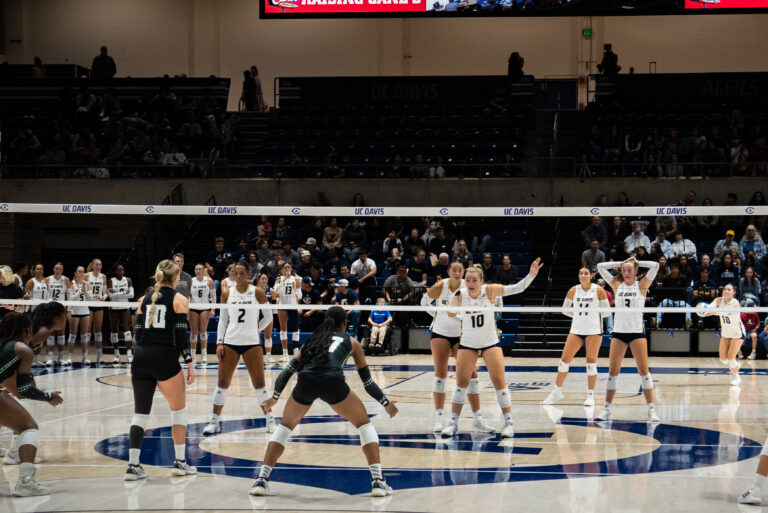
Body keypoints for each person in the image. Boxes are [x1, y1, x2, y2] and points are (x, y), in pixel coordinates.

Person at [251, 307, 398, 497]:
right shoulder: (352, 342)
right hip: (333, 383)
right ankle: (378, 481)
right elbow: (368, 383)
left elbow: (286, 372)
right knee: (364, 425)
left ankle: (261, 480)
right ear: (345, 323)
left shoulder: (311, 342)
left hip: (306, 382)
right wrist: (385, 403)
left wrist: (275, 398)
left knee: (285, 428)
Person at [442, 259, 543, 438]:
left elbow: (517, 288)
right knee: (461, 383)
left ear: (481, 281)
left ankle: (509, 422)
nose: (471, 284)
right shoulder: (460, 294)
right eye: (468, 280)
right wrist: (455, 305)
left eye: (474, 280)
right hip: (468, 344)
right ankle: (453, 423)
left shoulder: (489, 290)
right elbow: (449, 313)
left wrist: (531, 275)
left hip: (490, 342)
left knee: (499, 382)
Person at [125, 260, 197, 481]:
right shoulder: (179, 299)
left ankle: (133, 466)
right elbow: (182, 337)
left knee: (140, 414)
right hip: (164, 358)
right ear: (176, 277)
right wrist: (189, 362)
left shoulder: (143, 300)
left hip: (140, 358)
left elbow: (137, 336)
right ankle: (179, 462)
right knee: (179, 411)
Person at [202, 263, 276, 435]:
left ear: (248, 274)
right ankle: (214, 421)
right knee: (222, 383)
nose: (239, 276)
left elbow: (269, 317)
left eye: (242, 273)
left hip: (251, 343)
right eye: (235, 273)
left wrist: (254, 329)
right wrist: (219, 342)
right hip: (231, 342)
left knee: (260, 384)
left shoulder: (257, 292)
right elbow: (223, 320)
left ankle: (270, 421)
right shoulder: (227, 293)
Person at [0, 307, 66, 496]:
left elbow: (10, 384)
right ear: (27, 331)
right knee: (29, 427)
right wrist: (48, 396)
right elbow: (23, 389)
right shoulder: (23, 350)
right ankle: (26, 482)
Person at [422, 261, 488, 432]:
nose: (457, 273)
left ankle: (478, 419)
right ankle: (439, 419)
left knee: (472, 374)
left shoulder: (468, 289)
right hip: (440, 333)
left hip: (461, 335)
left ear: (464, 271)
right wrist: (438, 314)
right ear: (448, 271)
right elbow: (424, 302)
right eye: (454, 270)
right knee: (440, 374)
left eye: (460, 270)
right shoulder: (441, 285)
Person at [596, 257, 660, 422]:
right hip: (619, 333)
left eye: (630, 270)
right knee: (612, 372)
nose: (626, 272)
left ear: (636, 271)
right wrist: (621, 263)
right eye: (624, 270)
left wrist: (636, 261)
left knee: (644, 372)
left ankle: (651, 410)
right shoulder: (617, 285)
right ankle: (607, 409)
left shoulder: (642, 285)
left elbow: (656, 265)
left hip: (637, 332)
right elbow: (600, 267)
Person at [543, 268, 609, 407]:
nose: (583, 275)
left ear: (591, 276)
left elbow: (607, 311)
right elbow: (565, 309)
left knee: (591, 362)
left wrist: (591, 317)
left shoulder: (598, 290)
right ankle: (557, 391)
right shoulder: (573, 290)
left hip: (593, 330)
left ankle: (590, 395)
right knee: (564, 361)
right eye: (581, 273)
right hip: (576, 329)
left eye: (586, 273)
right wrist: (578, 316)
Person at [698, 285, 744, 385]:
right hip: (726, 333)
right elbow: (710, 307)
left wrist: (710, 313)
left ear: (733, 293)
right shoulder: (719, 300)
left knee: (731, 359)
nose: (726, 291)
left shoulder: (735, 303)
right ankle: (736, 366)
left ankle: (737, 376)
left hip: (737, 333)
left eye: (729, 290)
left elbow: (723, 311)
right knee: (723, 359)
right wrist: (703, 309)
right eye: (725, 289)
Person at [273, 263, 302, 363]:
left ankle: (295, 351)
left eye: (289, 267)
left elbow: (300, 296)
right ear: (282, 270)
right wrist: (284, 281)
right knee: (283, 328)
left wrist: (295, 289)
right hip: (282, 305)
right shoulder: (278, 279)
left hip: (293, 305)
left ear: (291, 269)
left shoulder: (296, 280)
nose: (287, 269)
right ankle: (285, 354)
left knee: (295, 328)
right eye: (285, 268)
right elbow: (275, 293)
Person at [44, 262, 70, 366]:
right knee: (51, 332)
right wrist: (50, 299)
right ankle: (50, 358)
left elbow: (70, 296)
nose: (58, 270)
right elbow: (45, 295)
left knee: (61, 334)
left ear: (62, 270)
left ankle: (61, 357)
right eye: (56, 268)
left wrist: (69, 310)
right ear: (53, 269)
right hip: (50, 308)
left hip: (61, 309)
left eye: (60, 269)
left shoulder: (66, 279)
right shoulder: (48, 279)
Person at [108, 265, 134, 365]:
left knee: (127, 330)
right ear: (115, 272)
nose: (121, 271)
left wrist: (117, 293)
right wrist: (124, 292)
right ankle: (116, 355)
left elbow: (131, 295)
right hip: (114, 307)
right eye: (119, 270)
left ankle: (129, 355)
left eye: (122, 270)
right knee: (114, 330)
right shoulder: (111, 280)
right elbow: (111, 296)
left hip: (125, 307)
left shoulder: (128, 280)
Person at [189, 263, 215, 364]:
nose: (198, 271)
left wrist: (213, 308)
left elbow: (213, 295)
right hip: (193, 307)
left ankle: (204, 355)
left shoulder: (209, 280)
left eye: (200, 269)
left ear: (203, 270)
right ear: (195, 271)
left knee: (203, 331)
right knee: (193, 331)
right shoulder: (191, 280)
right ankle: (193, 355)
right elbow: (187, 295)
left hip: (205, 307)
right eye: (196, 269)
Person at [68, 266, 92, 365]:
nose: (81, 273)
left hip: (85, 311)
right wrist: (80, 292)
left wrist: (85, 290)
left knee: (84, 336)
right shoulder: (71, 284)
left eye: (83, 271)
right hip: (75, 312)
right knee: (72, 335)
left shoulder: (87, 284)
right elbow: (70, 299)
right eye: (79, 271)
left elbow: (90, 299)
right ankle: (69, 357)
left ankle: (85, 357)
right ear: (75, 273)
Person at [86, 259, 108, 365]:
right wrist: (91, 295)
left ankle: (99, 356)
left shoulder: (103, 276)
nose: (98, 266)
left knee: (98, 330)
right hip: (88, 305)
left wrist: (104, 296)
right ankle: (85, 356)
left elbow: (105, 292)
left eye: (100, 264)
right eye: (96, 264)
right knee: (87, 330)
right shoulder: (87, 276)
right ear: (92, 265)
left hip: (99, 305)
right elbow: (82, 290)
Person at [255, 273, 276, 364]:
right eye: (262, 279)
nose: (264, 280)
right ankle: (256, 356)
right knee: (256, 336)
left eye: (265, 279)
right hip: (257, 314)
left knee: (268, 335)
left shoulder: (271, 291)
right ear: (259, 280)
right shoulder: (255, 290)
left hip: (268, 314)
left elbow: (274, 305)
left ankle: (268, 356)